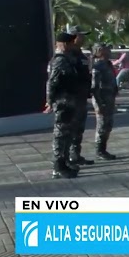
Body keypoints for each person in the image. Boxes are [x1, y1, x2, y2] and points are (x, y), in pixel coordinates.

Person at [44, 33, 81, 179]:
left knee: (67, 133)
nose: (73, 45)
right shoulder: (59, 61)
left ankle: (64, 163)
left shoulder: (67, 59)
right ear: (65, 44)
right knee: (60, 133)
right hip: (62, 101)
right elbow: (52, 82)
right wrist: (50, 101)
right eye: (71, 43)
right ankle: (58, 166)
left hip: (69, 100)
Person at [65, 25, 94, 166]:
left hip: (82, 97)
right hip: (71, 98)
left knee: (79, 128)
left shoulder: (80, 54)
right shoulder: (66, 55)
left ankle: (75, 155)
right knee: (69, 129)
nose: (82, 38)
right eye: (80, 36)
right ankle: (67, 158)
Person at [91, 43, 118, 160]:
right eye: (107, 49)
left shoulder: (108, 64)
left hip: (110, 98)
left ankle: (103, 149)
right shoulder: (97, 66)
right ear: (100, 51)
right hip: (101, 99)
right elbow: (94, 87)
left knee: (108, 125)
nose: (109, 51)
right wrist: (99, 103)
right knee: (102, 125)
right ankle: (99, 150)